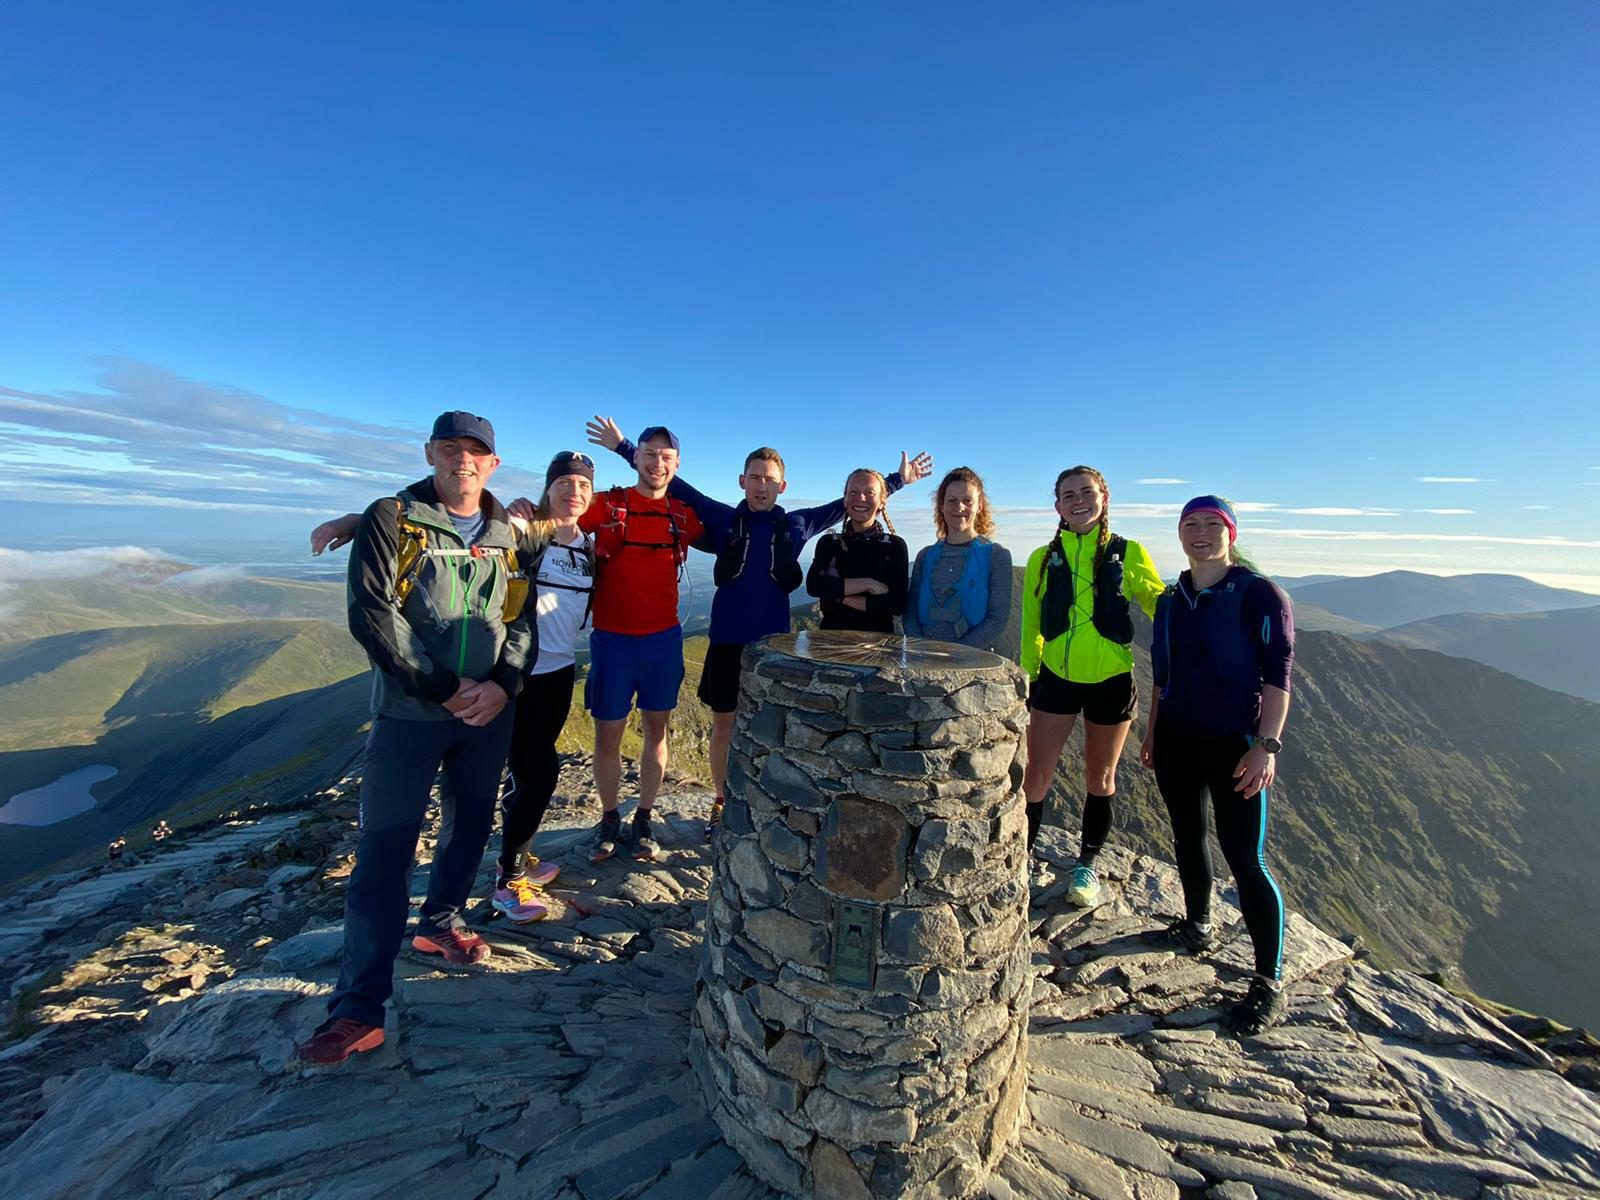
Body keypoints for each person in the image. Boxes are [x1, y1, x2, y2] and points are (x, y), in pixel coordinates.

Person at [295, 411, 532, 1067]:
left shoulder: (507, 532)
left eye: (476, 451)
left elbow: (520, 619)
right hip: (410, 714)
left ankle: (440, 926)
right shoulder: (390, 518)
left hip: (488, 715)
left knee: (468, 828)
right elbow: (373, 614)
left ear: (493, 463)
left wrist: (505, 684)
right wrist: (441, 686)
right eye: (451, 448)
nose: (463, 459)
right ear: (430, 453)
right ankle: (357, 1008)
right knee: (384, 854)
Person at [576, 418, 932, 838]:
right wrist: (623, 447)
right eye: (756, 478)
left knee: (770, 729)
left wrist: (897, 480)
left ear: (782, 486)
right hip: (727, 642)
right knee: (724, 727)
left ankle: (763, 801)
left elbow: (852, 502)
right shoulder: (724, 519)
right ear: (743, 481)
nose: (762, 486)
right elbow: (678, 485)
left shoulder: (797, 525)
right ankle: (722, 804)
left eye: (770, 480)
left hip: (774, 648)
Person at [310, 452, 594, 923]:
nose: (573, 492)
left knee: (532, 772)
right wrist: (362, 521)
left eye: (584, 486)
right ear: (548, 488)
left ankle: (507, 866)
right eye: (564, 482)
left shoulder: (589, 542)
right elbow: (457, 528)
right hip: (509, 674)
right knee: (529, 773)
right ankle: (508, 879)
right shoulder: (526, 527)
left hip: (557, 670)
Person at [1140, 495, 1294, 1037]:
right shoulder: (1171, 598)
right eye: (1190, 525)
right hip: (1179, 737)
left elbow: (1278, 677)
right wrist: (1153, 733)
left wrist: (1266, 746)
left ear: (1230, 532)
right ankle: (1198, 925)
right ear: (1179, 534)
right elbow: (1163, 676)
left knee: (1245, 857)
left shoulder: (1259, 594)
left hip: (1236, 742)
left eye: (1211, 524)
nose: (1200, 533)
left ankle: (1268, 980)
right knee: (1187, 835)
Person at [1019, 466, 1164, 908]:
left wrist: (1202, 606)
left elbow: (1159, 603)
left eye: (1086, 491)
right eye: (1068, 494)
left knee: (1100, 777)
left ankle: (1086, 865)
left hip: (1112, 681)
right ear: (1058, 506)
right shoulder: (1043, 558)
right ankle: (1019, 857)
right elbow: (1031, 625)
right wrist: (1029, 676)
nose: (1078, 500)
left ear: (1104, 497)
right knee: (1035, 776)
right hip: (1056, 680)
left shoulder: (1130, 552)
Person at [575, 425, 704, 864]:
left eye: (666, 456)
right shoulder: (608, 505)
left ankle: (644, 817)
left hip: (662, 642)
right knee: (607, 734)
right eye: (649, 454)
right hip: (612, 641)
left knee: (656, 732)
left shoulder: (683, 515)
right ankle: (610, 818)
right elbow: (557, 515)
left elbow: (726, 529)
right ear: (637, 458)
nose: (657, 463)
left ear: (677, 464)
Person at [903, 466, 1013, 652]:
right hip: (923, 661)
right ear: (941, 505)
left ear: (979, 506)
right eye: (952, 500)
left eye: (967, 501)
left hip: (972, 665)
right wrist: (921, 650)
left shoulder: (997, 556)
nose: (959, 507)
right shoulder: (925, 556)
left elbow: (997, 619)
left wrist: (956, 655)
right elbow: (910, 611)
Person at [805, 468, 910, 634]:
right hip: (830, 644)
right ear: (845, 500)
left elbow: (896, 603)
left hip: (880, 647)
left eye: (870, 493)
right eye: (854, 492)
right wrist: (868, 584)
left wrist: (839, 597)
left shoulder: (894, 546)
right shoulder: (829, 543)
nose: (861, 498)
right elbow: (815, 586)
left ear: (882, 501)